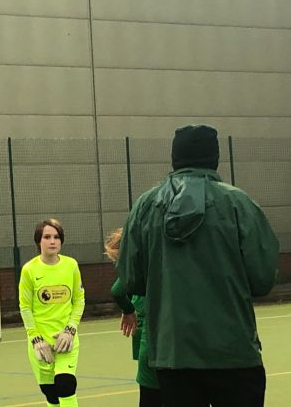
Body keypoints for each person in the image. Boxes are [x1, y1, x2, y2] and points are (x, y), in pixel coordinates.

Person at [116, 124, 280, 407]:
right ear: (215, 157)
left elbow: (132, 279)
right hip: (234, 351)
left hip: (172, 354)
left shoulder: (146, 206)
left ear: (174, 158)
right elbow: (263, 279)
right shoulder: (239, 204)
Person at [19, 218, 85, 407]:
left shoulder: (71, 265)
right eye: (47, 237)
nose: (52, 241)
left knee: (65, 385)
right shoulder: (29, 270)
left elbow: (79, 300)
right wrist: (35, 338)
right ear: (38, 241)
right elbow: (25, 307)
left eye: (56, 237)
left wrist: (70, 330)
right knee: (51, 394)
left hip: (66, 341)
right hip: (41, 342)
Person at [105, 228, 162, 407]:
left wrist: (128, 310)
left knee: (151, 393)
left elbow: (117, 291)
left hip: (152, 339)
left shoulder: (140, 267)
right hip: (154, 335)